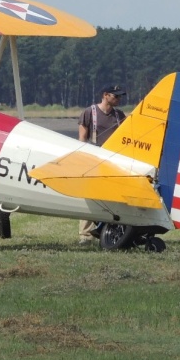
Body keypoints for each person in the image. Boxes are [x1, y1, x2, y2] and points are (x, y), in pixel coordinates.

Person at [77, 84, 127, 244]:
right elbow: (82, 139)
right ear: (106, 95)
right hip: (93, 161)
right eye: (116, 96)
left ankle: (108, 232)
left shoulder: (120, 115)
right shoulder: (89, 112)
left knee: (113, 199)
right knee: (90, 198)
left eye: (120, 96)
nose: (119, 99)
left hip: (114, 163)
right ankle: (86, 235)